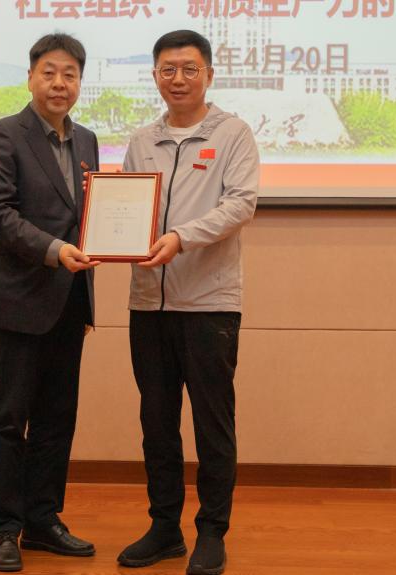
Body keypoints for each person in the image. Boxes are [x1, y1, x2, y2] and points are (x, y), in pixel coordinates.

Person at [115, 30, 259, 575]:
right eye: (168, 70)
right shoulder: (141, 140)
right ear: (155, 76)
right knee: (156, 423)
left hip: (209, 303)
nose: (178, 79)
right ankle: (164, 528)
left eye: (190, 69)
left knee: (212, 425)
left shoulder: (233, 134)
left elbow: (241, 205)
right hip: (148, 303)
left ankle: (212, 532)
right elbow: (128, 208)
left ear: (209, 75)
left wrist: (181, 237)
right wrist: (104, 214)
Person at [0, 33, 100, 573]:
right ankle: (5, 528)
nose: (59, 84)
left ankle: (44, 520)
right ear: (30, 77)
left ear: (80, 82)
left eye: (70, 74)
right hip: (17, 300)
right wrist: (54, 251)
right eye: (49, 72)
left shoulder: (87, 139)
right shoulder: (3, 134)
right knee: (10, 420)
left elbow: (89, 214)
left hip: (69, 301)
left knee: (57, 419)